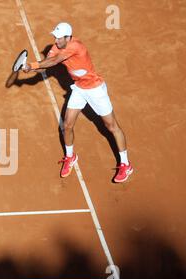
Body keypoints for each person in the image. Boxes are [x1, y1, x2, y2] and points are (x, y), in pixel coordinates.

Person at [23, 22, 133, 183]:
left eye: (59, 38)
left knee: (111, 126)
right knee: (67, 125)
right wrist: (29, 68)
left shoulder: (76, 46)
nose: (56, 41)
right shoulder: (57, 47)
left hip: (95, 89)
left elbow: (54, 62)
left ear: (68, 37)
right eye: (55, 37)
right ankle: (70, 157)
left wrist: (32, 64)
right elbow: (45, 65)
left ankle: (125, 164)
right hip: (79, 89)